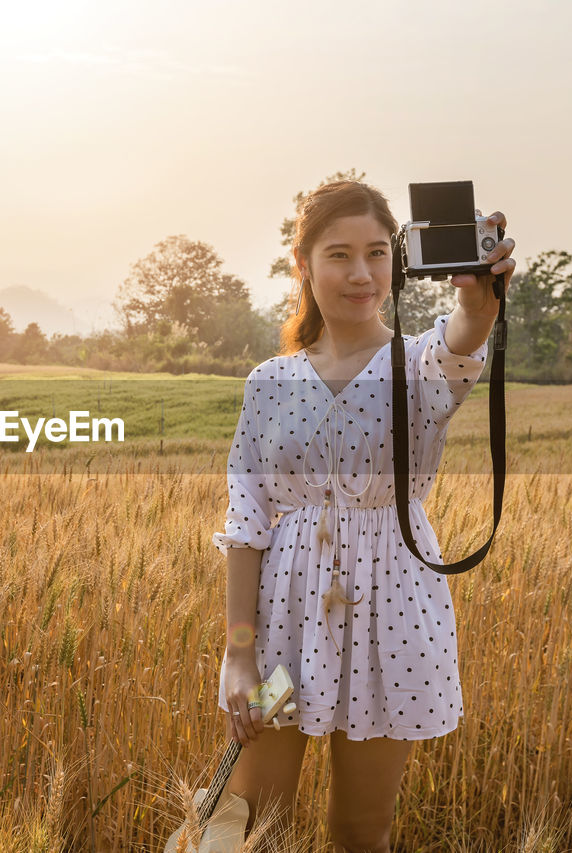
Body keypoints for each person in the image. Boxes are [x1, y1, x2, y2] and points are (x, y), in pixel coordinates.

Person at [210, 180, 516, 852]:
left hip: (392, 623)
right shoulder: (270, 381)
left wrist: (479, 293)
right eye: (340, 254)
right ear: (303, 264)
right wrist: (239, 655)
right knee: (250, 825)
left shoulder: (421, 365)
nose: (360, 273)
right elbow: (247, 519)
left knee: (361, 831)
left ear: (398, 262)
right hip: (283, 628)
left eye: (378, 253)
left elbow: (468, 331)